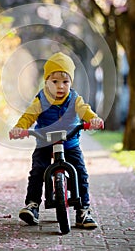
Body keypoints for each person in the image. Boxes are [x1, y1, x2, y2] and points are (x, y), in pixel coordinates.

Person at [9, 52, 104, 229]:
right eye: (55, 82)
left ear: (71, 83)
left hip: (69, 143)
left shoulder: (75, 99)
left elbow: (85, 110)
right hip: (45, 143)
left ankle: (83, 211)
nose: (60, 86)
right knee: (38, 171)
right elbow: (28, 116)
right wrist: (19, 128)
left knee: (81, 173)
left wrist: (93, 119)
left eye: (65, 82)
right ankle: (33, 205)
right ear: (46, 82)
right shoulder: (41, 100)